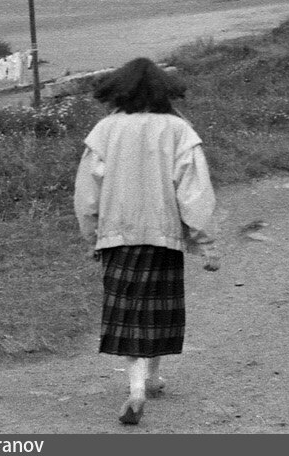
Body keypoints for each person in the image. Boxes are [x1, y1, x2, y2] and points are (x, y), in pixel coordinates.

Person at [73, 58, 218, 427]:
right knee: (156, 312)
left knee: (130, 314)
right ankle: (147, 381)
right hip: (163, 237)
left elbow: (87, 193)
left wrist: (92, 236)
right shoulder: (178, 130)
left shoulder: (105, 130)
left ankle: (141, 385)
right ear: (164, 91)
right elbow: (194, 190)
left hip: (118, 237)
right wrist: (204, 242)